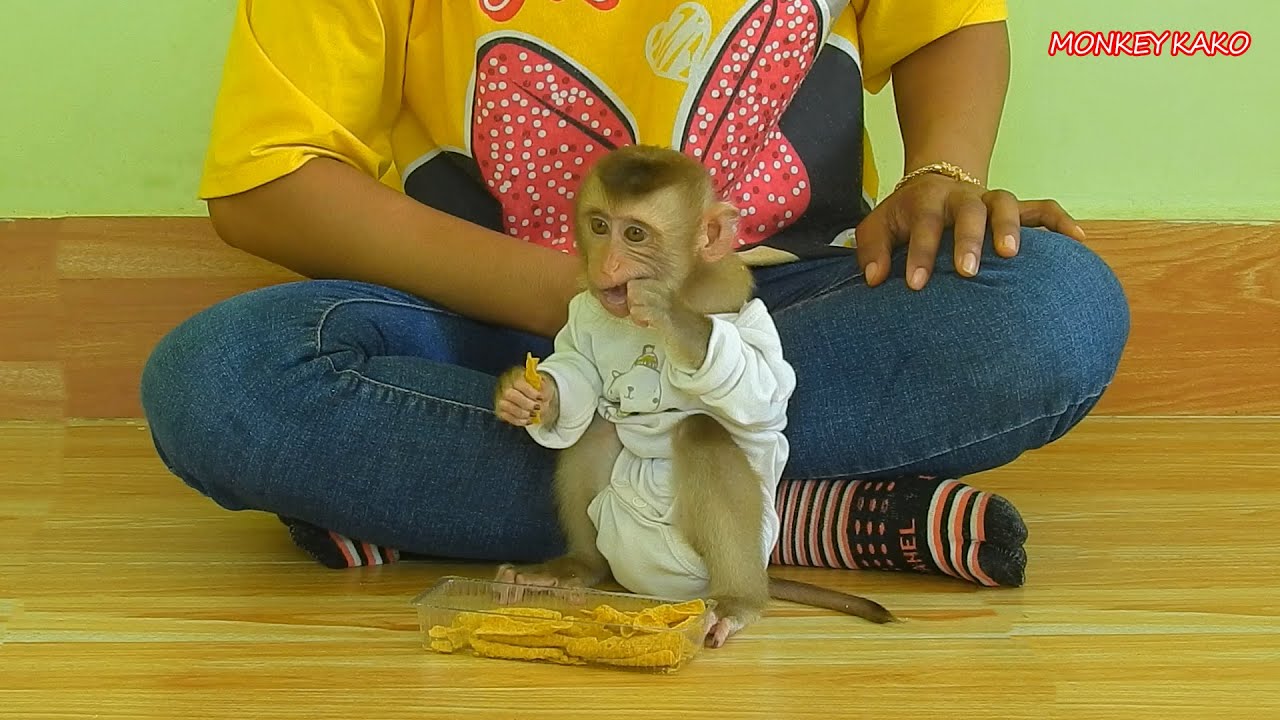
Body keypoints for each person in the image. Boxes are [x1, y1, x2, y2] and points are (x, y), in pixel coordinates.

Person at [140, 0, 1129, 587]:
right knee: (223, 377)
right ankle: (798, 513)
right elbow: (267, 181)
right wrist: (562, 294)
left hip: (772, 321)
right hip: (497, 333)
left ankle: (429, 498)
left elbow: (940, 24)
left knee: (1051, 305)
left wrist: (939, 177)